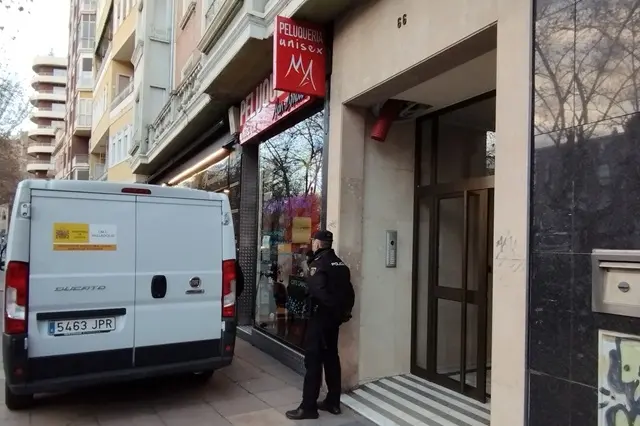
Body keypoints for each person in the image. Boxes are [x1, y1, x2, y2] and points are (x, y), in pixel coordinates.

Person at [286, 230, 354, 420]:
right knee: (331, 358)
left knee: (313, 361)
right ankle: (333, 402)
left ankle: (308, 407)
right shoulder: (341, 265)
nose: (312, 244)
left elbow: (318, 292)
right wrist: (341, 313)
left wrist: (328, 310)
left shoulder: (318, 264)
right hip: (333, 321)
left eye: (313, 241)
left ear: (317, 243)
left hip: (320, 319)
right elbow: (350, 293)